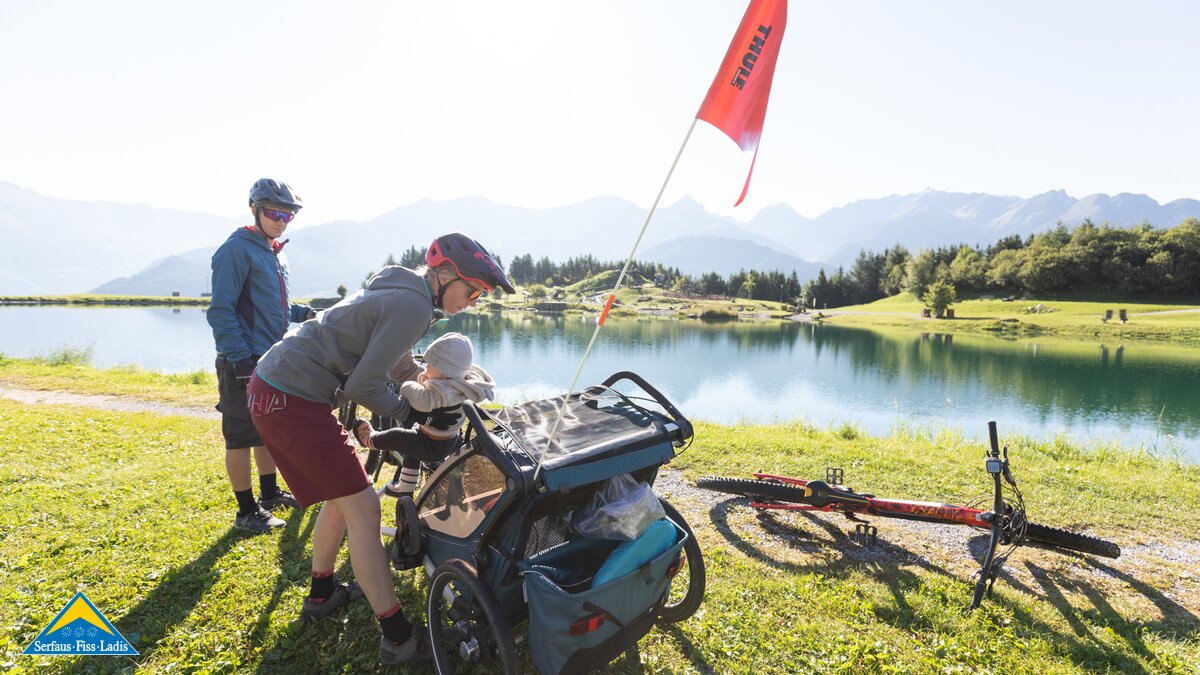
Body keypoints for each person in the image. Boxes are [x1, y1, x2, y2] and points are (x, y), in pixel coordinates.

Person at [246, 232, 514, 665]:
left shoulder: (408, 293)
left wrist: (435, 391)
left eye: (480, 295)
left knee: (342, 499)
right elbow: (363, 385)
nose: (473, 302)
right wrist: (412, 414)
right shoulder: (414, 305)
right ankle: (398, 637)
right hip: (291, 399)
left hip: (278, 388)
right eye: (473, 291)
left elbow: (398, 363)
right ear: (446, 274)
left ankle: (321, 594)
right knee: (366, 509)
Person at [207, 178, 312, 533]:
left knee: (265, 430)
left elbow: (270, 305)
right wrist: (239, 360)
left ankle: (269, 495)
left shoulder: (272, 251)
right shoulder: (236, 250)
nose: (281, 221)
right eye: (274, 213)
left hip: (268, 359)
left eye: (288, 215)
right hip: (242, 359)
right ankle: (246, 512)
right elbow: (221, 310)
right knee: (240, 437)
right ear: (255, 210)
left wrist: (303, 313)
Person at [353, 331, 496, 498]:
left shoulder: (443, 390)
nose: (425, 368)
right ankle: (405, 487)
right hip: (443, 440)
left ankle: (370, 440)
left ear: (443, 372)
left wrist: (410, 385)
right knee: (411, 452)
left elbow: (420, 399)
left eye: (429, 365)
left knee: (398, 437)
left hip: (430, 444)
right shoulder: (462, 385)